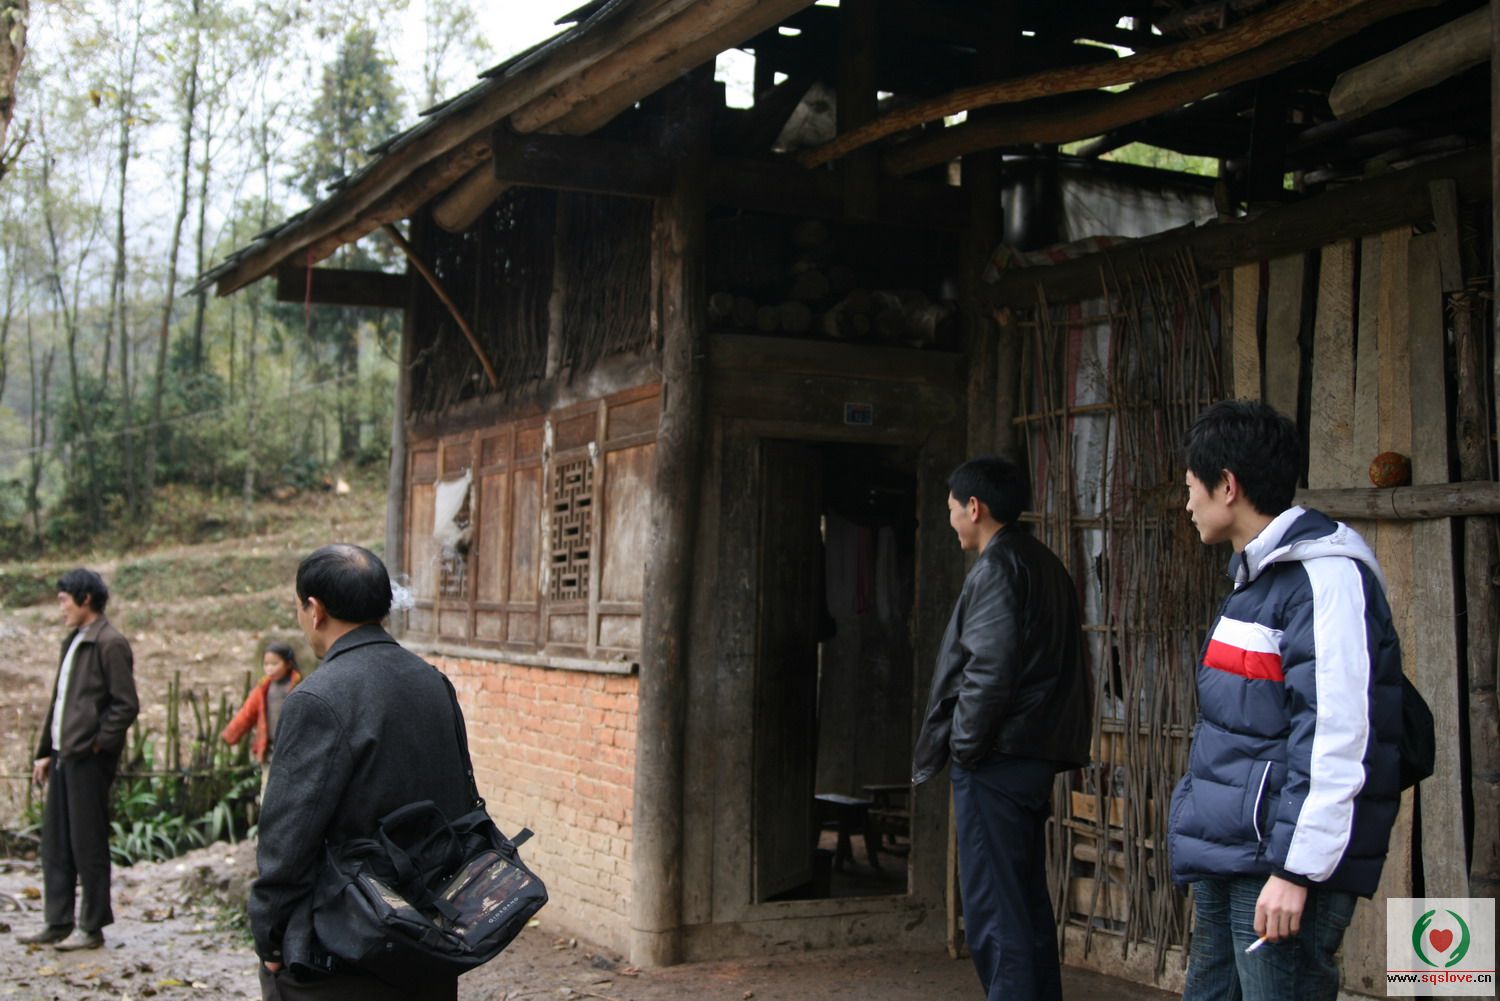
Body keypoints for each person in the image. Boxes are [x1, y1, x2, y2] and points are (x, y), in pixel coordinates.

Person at [1169, 401, 1403, 1001]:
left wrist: (1296, 869)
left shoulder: (1324, 579)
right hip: (1231, 852)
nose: (1187, 503)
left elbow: (1336, 734)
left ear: (1227, 486)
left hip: (1278, 864)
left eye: (1191, 487)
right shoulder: (1256, 578)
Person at [250, 544, 476, 1001]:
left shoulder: (318, 698)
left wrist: (271, 935)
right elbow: (460, 798)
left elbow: (287, 839)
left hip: (346, 945)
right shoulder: (432, 682)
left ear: (315, 610)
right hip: (430, 934)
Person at [913, 456, 1092, 1001]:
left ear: (975, 507)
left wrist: (965, 749)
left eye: (951, 509)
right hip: (1029, 757)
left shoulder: (998, 568)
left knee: (995, 911)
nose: (950, 520)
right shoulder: (1043, 561)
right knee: (1023, 903)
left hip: (998, 760)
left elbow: (988, 673)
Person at [17, 569, 138, 952]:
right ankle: (57, 921)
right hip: (63, 755)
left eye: (64, 600)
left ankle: (92, 925)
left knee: (88, 844)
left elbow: (125, 705)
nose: (61, 608)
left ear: (85, 599)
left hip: (88, 760)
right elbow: (60, 702)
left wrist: (97, 745)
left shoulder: (110, 643)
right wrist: (44, 752)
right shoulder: (74, 640)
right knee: (56, 843)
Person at [220, 642, 302, 795]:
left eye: (274, 664)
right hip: (270, 750)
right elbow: (246, 714)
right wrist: (230, 734)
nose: (269, 668)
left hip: (294, 750)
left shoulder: (299, 687)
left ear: (288, 664)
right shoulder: (262, 689)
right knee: (268, 789)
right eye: (266, 664)